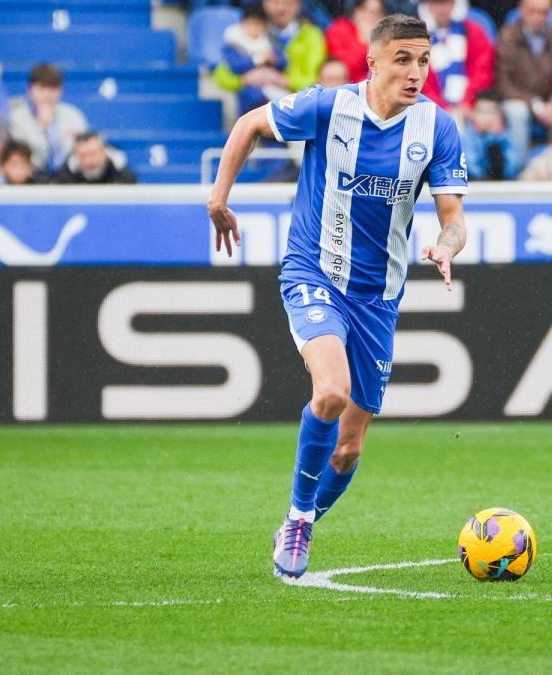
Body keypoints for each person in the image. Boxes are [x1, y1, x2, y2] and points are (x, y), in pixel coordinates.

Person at [207, 14, 468, 579]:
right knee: (330, 391)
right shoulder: (329, 107)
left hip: (379, 297)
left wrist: (446, 245)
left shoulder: (438, 130)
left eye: (423, 60)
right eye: (402, 59)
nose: (415, 72)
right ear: (372, 61)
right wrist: (219, 198)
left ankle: (300, 518)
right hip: (315, 271)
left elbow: (454, 219)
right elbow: (250, 123)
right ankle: (300, 518)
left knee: (348, 451)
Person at [495, 0, 552, 165]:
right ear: (521, 10)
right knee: (517, 112)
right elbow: (504, 83)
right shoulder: (507, 38)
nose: (538, 17)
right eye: (533, 11)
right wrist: (536, 105)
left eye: (544, 12)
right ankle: (520, 172)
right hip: (522, 101)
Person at [215, 0, 327, 106]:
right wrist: (244, 79)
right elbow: (222, 75)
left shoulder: (312, 35)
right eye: (275, 2)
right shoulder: (252, 31)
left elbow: (315, 79)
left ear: (298, 4)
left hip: (296, 103)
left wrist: (283, 80)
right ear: (265, 3)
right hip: (254, 104)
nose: (281, 7)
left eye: (288, 3)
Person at [7, 63, 89, 174]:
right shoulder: (17, 119)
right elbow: (26, 160)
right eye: (42, 88)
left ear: (61, 90)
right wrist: (42, 127)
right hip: (31, 179)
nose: (47, 95)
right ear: (30, 90)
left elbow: (82, 152)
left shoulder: (73, 115)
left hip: (69, 178)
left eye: (53, 89)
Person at [420, 0, 495, 117]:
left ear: (454, 4)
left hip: (473, 106)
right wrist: (441, 107)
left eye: (445, 3)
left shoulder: (473, 31)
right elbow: (423, 81)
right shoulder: (417, 36)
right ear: (427, 5)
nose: (441, 10)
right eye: (436, 4)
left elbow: (481, 71)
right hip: (432, 108)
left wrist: (468, 103)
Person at [222, 4, 290, 112]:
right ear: (242, 23)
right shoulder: (234, 44)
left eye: (259, 25)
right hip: (250, 90)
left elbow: (284, 62)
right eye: (251, 24)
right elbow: (235, 66)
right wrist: (257, 59)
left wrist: (275, 59)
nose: (254, 29)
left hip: (272, 86)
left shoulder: (268, 41)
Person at [461, 90, 521, 179]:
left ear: (500, 115)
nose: (487, 117)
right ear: (473, 113)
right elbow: (472, 168)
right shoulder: (467, 137)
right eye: (482, 112)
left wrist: (493, 138)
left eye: (492, 112)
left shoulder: (506, 137)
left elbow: (513, 167)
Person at [326, 0, 386, 83]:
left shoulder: (385, 37)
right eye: (367, 10)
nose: (371, 17)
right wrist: (365, 41)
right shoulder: (340, 28)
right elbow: (345, 67)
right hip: (343, 86)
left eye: (377, 13)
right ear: (357, 11)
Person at [53, 131, 138, 184]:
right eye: (83, 155)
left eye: (92, 154)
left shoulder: (122, 174)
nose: (88, 160)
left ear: (104, 151)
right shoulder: (66, 176)